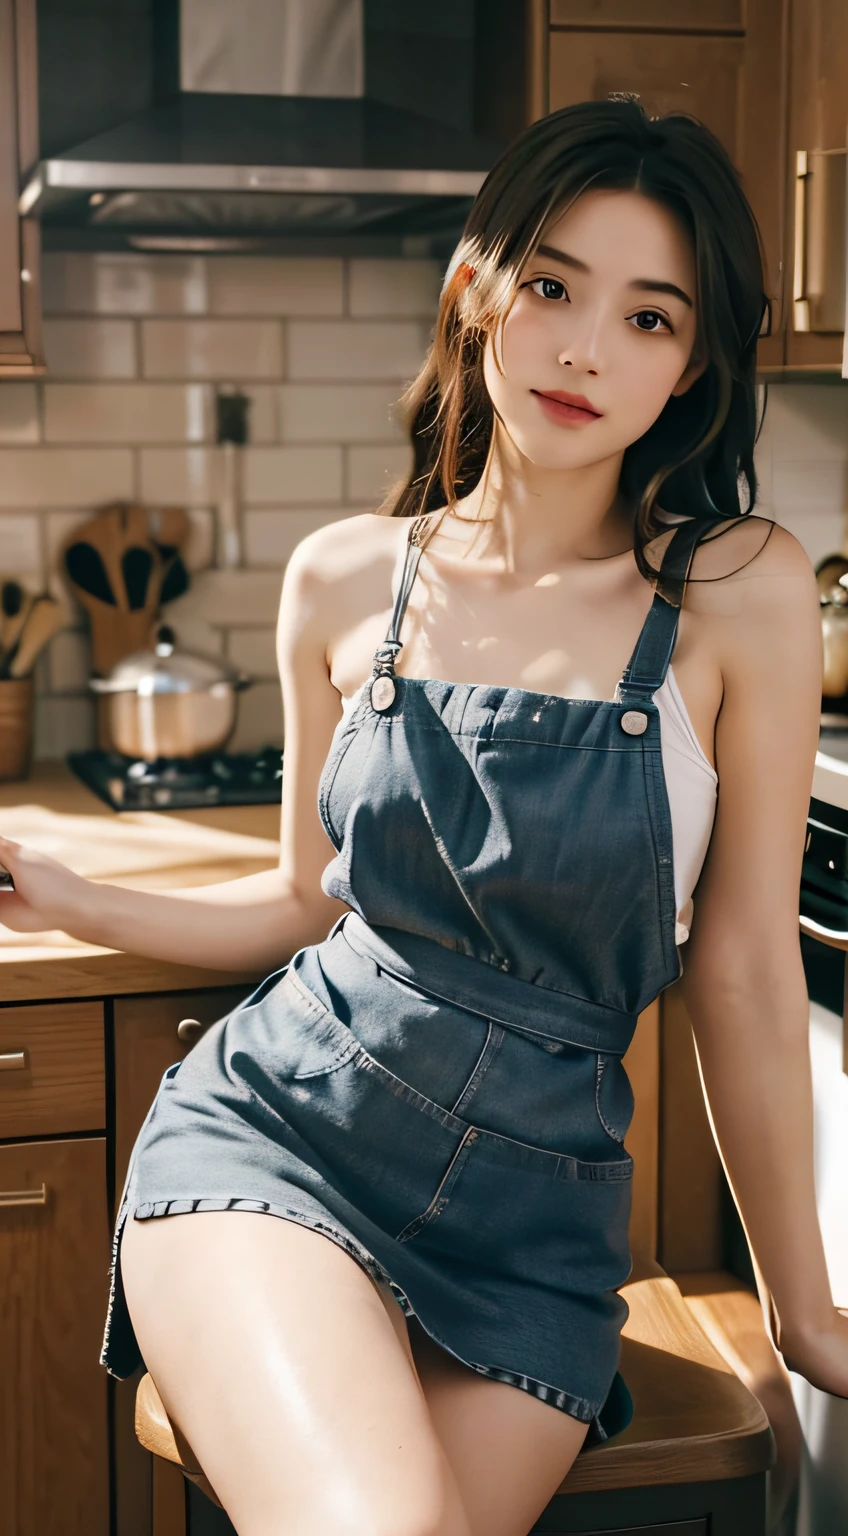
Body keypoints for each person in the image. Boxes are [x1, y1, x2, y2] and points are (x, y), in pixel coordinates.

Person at [0, 99, 843, 1536]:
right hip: (282, 1142)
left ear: (693, 364)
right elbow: (304, 905)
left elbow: (749, 972)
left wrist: (805, 1314)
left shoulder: (738, 588)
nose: (586, 348)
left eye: (651, 319)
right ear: (475, 294)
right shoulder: (341, 579)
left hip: (536, 1226)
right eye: (556, 286)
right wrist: (63, 890)